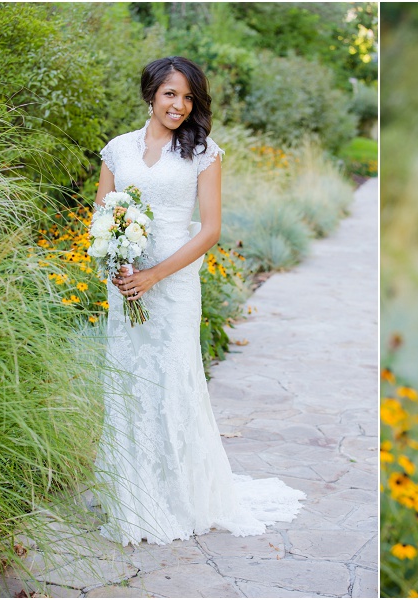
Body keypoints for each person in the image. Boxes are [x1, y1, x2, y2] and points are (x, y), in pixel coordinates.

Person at [92, 56, 304, 545]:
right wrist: (119, 263)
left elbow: (210, 230)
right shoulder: (118, 150)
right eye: (170, 94)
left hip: (173, 281)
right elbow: (102, 213)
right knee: (127, 377)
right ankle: (132, 489)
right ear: (151, 94)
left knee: (172, 375)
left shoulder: (203, 152)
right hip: (124, 282)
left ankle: (179, 492)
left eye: (188, 97)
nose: (180, 105)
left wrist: (153, 276)